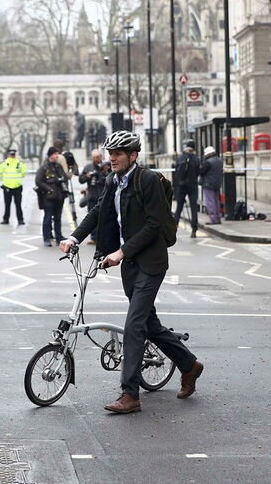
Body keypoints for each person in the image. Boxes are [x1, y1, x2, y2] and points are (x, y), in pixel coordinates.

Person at [59, 130, 203, 415]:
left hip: (150, 262)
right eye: (110, 153)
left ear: (133, 155)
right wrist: (74, 238)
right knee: (149, 325)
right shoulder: (114, 181)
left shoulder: (147, 180)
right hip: (130, 265)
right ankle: (189, 364)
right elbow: (98, 211)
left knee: (134, 325)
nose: (112, 158)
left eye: (118, 154)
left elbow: (153, 225)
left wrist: (121, 252)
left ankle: (130, 394)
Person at [35, 146, 68, 247]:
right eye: (55, 154)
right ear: (50, 155)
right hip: (48, 197)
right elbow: (38, 181)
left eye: (57, 154)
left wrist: (64, 188)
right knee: (48, 218)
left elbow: (65, 178)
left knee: (57, 218)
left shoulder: (58, 166)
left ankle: (59, 237)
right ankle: (47, 238)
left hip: (59, 196)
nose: (57, 156)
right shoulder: (44, 167)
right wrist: (49, 189)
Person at [172, 140, 201, 237]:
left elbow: (176, 173)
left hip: (181, 185)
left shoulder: (180, 158)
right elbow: (198, 172)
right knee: (193, 207)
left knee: (179, 207)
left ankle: (174, 227)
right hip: (192, 185)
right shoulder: (196, 158)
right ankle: (194, 229)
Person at [78, 149, 106, 243]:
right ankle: (94, 238)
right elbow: (81, 179)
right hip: (92, 196)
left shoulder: (106, 166)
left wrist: (103, 174)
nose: (96, 159)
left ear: (101, 157)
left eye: (97, 157)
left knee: (104, 218)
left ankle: (102, 237)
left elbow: (110, 178)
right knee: (92, 217)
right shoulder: (88, 167)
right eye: (94, 157)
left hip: (103, 195)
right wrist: (87, 176)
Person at [0, 148, 27, 226]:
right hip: (15, 186)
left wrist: (5, 181)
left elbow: (0, 174)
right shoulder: (20, 163)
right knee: (17, 204)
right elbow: (23, 174)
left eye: (12, 154)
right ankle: (20, 220)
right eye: (12, 154)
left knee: (9, 204)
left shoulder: (4, 163)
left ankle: (6, 219)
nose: (12, 156)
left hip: (9, 186)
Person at [198, 145, 223, 225]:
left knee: (210, 202)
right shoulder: (219, 161)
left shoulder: (208, 162)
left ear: (208, 154)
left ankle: (213, 219)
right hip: (217, 183)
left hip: (208, 184)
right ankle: (218, 218)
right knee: (216, 201)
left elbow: (201, 172)